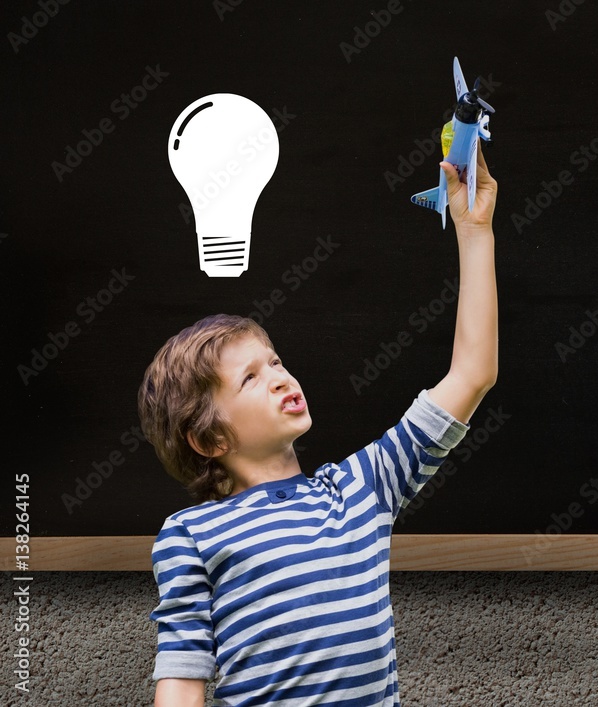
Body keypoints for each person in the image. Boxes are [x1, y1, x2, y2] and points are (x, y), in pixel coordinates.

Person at [139, 148, 498, 706]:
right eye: (250, 378)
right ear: (210, 439)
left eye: (276, 361)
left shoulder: (364, 486)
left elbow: (473, 372)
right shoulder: (191, 535)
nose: (280, 376)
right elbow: (181, 687)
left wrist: (474, 231)